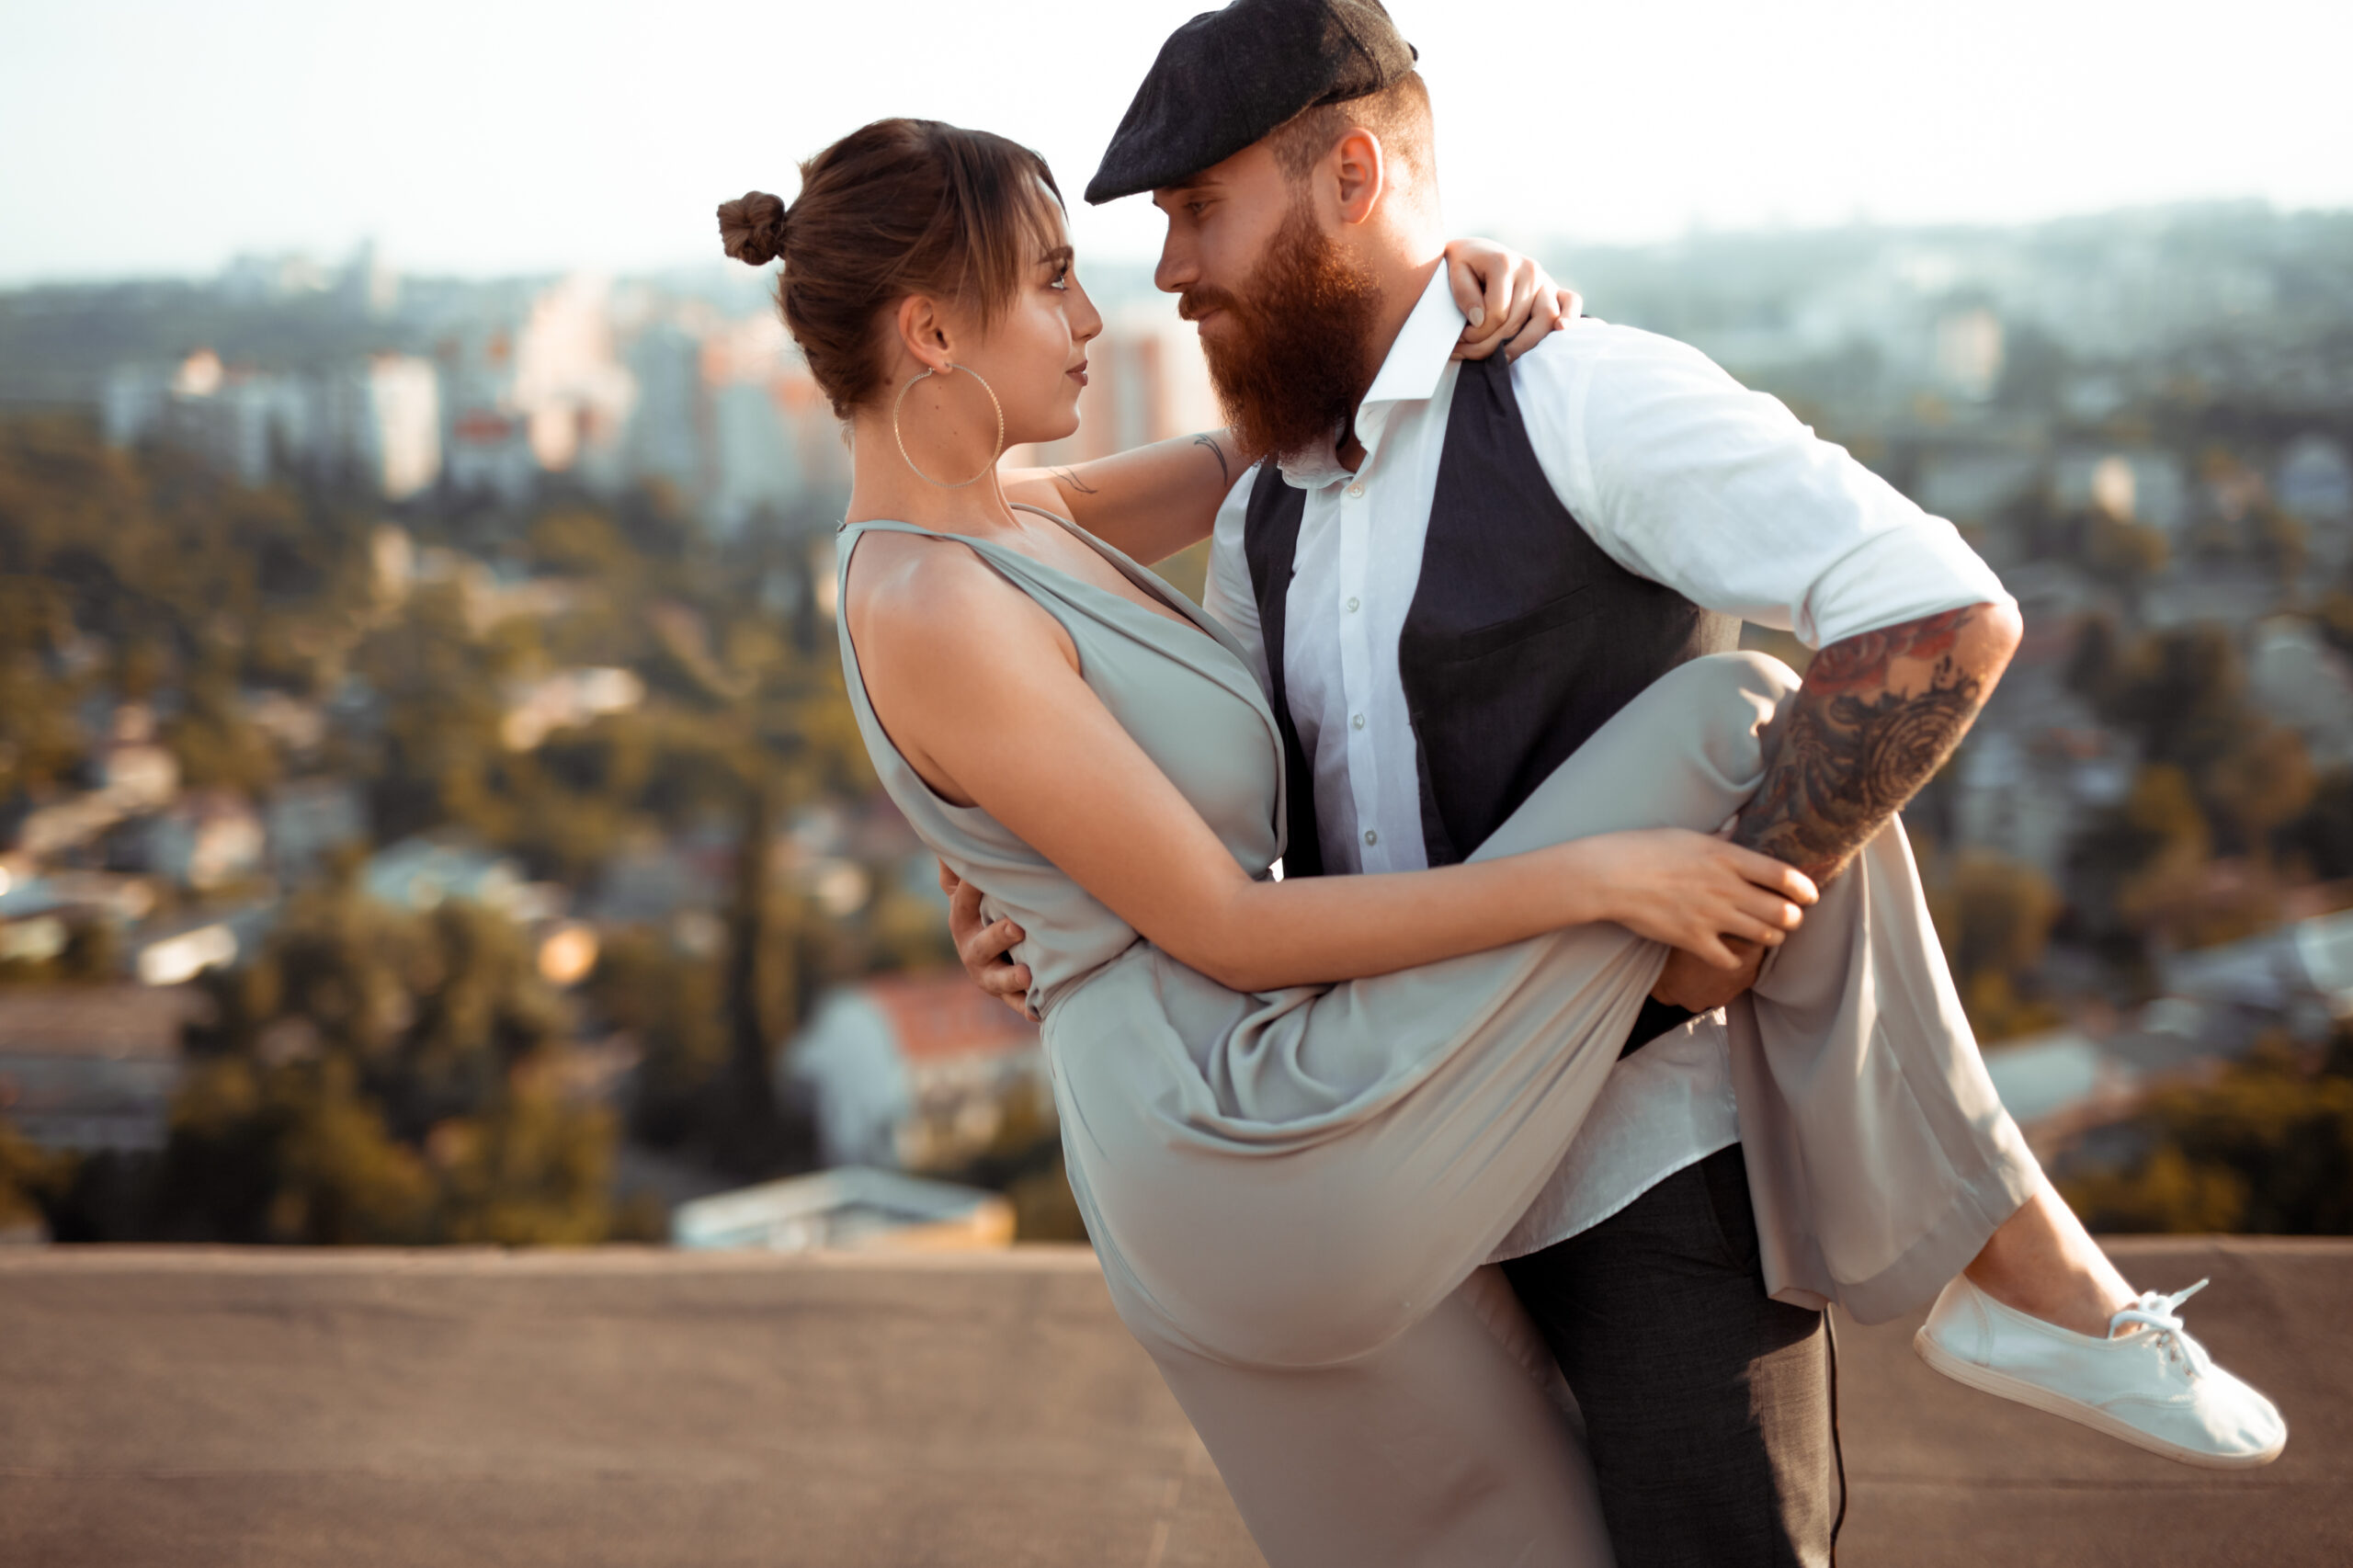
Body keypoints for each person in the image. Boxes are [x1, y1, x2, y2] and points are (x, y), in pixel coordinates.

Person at [717, 93, 2281, 1568]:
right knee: (1740, 719)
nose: (1096, 312)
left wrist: (1455, 303)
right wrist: (1604, 878)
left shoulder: (1012, 523)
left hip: (1268, 1071)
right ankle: (2018, 1261)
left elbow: (1276, 443)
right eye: (1055, 284)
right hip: (1234, 1120)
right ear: (929, 332)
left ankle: (2019, 1259)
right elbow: (1229, 924)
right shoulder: (924, 593)